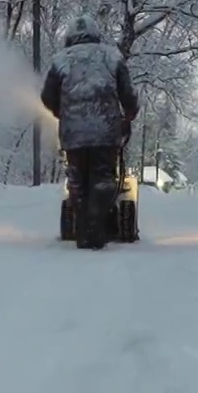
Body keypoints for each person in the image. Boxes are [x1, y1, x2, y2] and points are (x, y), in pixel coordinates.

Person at [40, 14, 139, 249]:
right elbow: (128, 94)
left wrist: (61, 112)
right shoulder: (112, 56)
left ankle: (83, 228)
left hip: (74, 135)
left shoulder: (59, 61)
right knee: (103, 175)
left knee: (77, 180)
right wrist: (130, 113)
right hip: (106, 132)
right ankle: (98, 218)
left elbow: (46, 97)